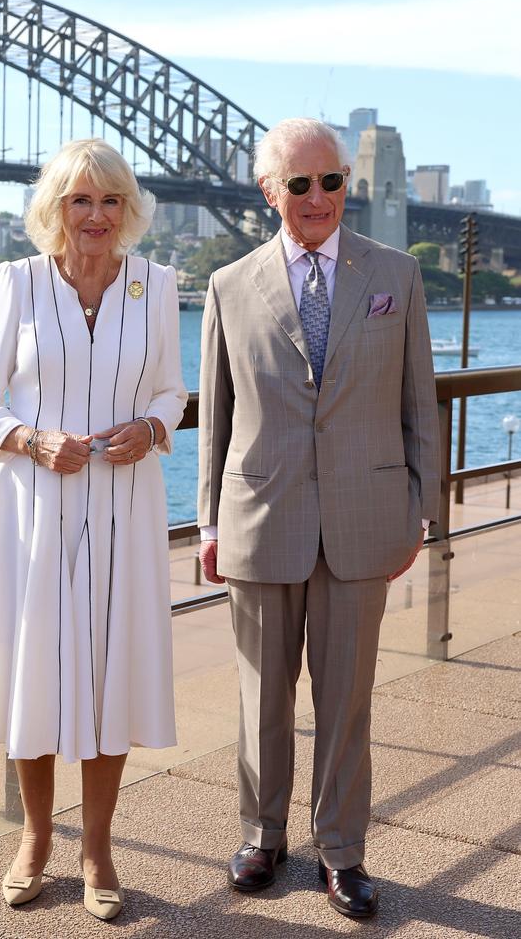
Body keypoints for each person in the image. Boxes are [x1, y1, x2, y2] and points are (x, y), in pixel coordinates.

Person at [0, 139, 187, 920]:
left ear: (128, 210)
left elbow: (176, 391)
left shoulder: (158, 284)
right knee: (35, 669)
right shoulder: (17, 282)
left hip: (124, 503)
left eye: (111, 201)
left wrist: (153, 426)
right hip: (33, 507)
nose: (96, 215)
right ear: (56, 209)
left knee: (111, 669)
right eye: (81, 200)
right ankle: (35, 840)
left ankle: (98, 850)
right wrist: (33, 439)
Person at [198, 118, 440, 919]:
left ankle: (342, 851)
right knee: (261, 695)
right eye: (298, 184)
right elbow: (220, 418)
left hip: (366, 518)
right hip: (261, 516)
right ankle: (263, 835)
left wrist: (419, 512)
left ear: (348, 184)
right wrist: (208, 524)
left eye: (330, 181)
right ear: (270, 192)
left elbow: (419, 406)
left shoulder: (396, 275)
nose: (316, 198)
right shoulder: (230, 285)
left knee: (347, 700)